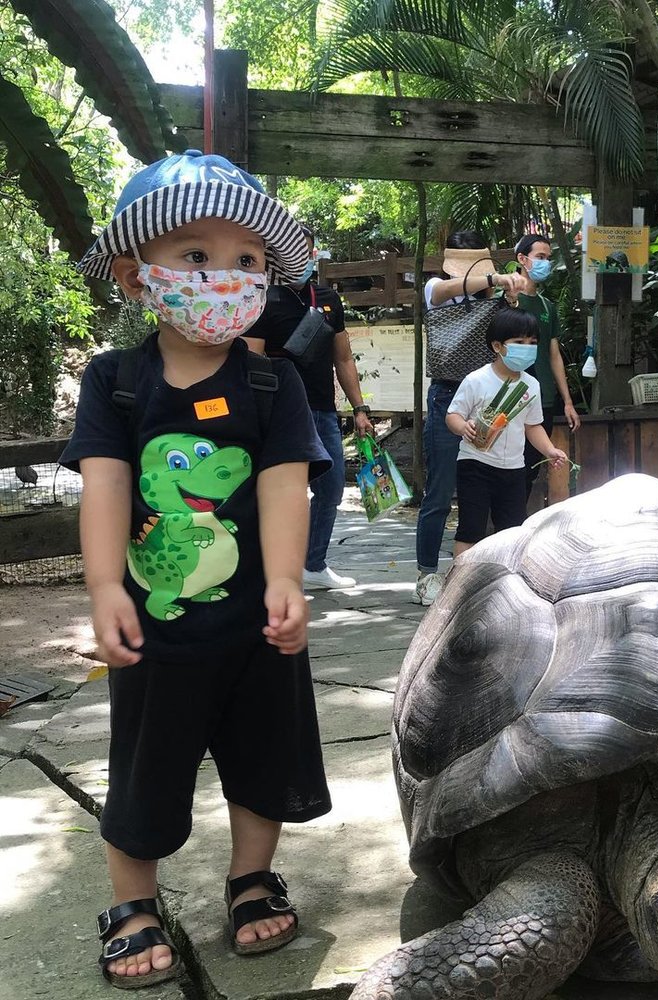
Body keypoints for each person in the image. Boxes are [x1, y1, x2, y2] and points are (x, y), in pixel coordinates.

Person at [60, 150, 332, 989]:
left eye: (247, 261)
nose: (226, 276)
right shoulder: (117, 382)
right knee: (145, 769)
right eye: (196, 256)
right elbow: (104, 486)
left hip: (259, 627)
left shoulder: (271, 380)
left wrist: (288, 580)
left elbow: (287, 485)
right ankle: (132, 905)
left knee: (264, 761)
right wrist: (106, 586)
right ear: (137, 276)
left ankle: (250, 878)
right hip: (156, 632)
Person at [244, 228, 373, 591]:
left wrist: (359, 408)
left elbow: (343, 358)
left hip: (323, 410)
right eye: (289, 249)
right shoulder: (263, 300)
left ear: (315, 252)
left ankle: (313, 564)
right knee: (281, 491)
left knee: (331, 488)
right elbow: (252, 360)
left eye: (305, 249)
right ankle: (268, 566)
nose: (299, 256)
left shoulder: (329, 299)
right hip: (280, 413)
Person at [413, 231, 527, 605]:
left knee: (484, 487)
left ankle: (482, 573)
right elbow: (445, 291)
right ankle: (427, 574)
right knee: (441, 491)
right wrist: (495, 279)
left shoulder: (491, 299)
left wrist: (507, 298)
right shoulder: (436, 288)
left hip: (485, 398)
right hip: (448, 395)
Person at [445, 308, 567, 558]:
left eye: (532, 343)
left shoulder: (531, 385)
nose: (528, 348)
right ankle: (460, 587)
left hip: (513, 469)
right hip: (475, 465)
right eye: (519, 342)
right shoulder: (476, 380)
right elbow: (452, 415)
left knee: (512, 532)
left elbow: (532, 426)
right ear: (498, 346)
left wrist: (549, 450)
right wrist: (462, 427)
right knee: (471, 529)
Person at [512, 234, 582, 500]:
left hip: (544, 397)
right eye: (540, 257)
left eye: (547, 259)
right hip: (511, 397)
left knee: (531, 468)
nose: (545, 264)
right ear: (522, 259)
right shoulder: (505, 300)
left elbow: (554, 354)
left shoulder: (547, 306)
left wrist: (567, 401)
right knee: (509, 466)